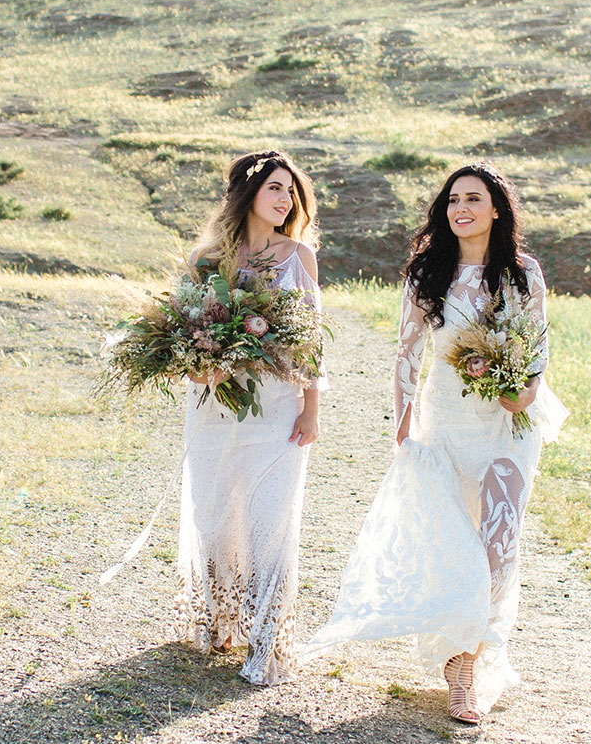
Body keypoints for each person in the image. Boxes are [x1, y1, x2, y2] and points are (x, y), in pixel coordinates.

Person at [302, 162, 566, 724]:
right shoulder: (428, 274)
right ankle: (456, 648)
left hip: (509, 428)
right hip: (444, 423)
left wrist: (526, 391)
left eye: (474, 198)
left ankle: (468, 667)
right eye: (452, 200)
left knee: (499, 544)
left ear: (498, 209)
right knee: (454, 544)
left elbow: (538, 346)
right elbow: (406, 352)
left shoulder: (524, 274)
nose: (461, 208)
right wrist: (402, 419)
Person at [176, 150, 324, 685]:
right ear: (248, 195)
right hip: (216, 406)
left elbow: (311, 337)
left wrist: (311, 406)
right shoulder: (207, 259)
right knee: (215, 511)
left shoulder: (299, 258)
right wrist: (199, 367)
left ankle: (268, 640)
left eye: (292, 192)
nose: (287, 201)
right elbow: (181, 334)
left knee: (270, 519)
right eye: (276, 190)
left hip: (278, 408)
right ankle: (221, 619)